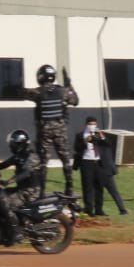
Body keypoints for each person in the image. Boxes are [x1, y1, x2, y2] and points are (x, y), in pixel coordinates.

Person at [22, 64, 79, 195]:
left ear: (40, 77)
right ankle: (69, 188)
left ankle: (41, 191)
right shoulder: (63, 91)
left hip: (45, 133)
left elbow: (22, 93)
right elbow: (75, 101)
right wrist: (69, 84)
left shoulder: (38, 92)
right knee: (65, 159)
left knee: (43, 162)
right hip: (60, 131)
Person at [0, 129, 45, 245]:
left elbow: (26, 173)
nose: (11, 146)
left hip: (30, 191)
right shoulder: (18, 156)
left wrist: (9, 181)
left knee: (5, 202)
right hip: (21, 189)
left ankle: (16, 232)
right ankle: (4, 227)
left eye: (13, 143)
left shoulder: (31, 156)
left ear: (20, 143)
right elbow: (3, 165)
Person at [72, 117, 127, 216]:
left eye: (94, 124)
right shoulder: (80, 135)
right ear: (86, 124)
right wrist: (85, 142)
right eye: (90, 124)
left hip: (98, 163)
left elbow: (108, 145)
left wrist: (102, 137)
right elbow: (77, 148)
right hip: (86, 162)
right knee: (87, 186)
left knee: (99, 187)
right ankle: (89, 209)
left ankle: (99, 209)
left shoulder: (99, 134)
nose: (92, 126)